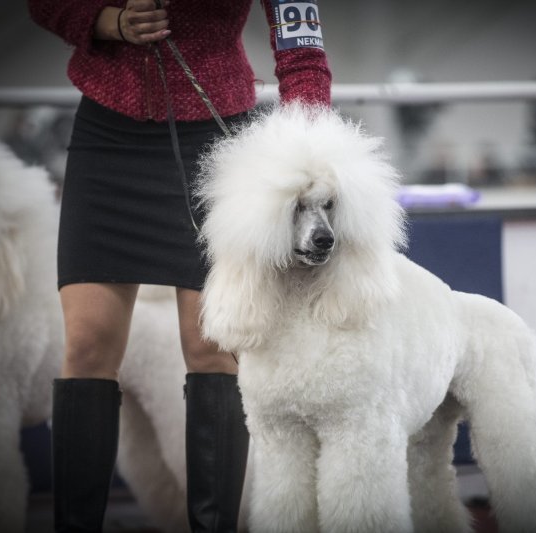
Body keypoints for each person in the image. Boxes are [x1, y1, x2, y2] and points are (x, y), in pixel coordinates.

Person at [27, 1, 331, 531]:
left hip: (217, 144)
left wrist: (306, 153)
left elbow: (302, 50)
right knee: (87, 345)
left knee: (212, 347)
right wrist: (106, 21)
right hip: (106, 138)